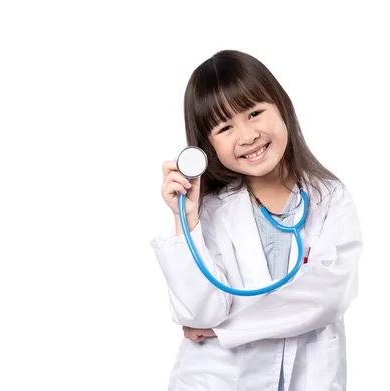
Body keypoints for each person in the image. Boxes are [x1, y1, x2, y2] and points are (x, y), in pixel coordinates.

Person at [151, 49, 363, 391]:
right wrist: (186, 221)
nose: (247, 136)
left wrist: (226, 329)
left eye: (254, 112)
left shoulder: (330, 199)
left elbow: (328, 299)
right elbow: (199, 315)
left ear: (282, 106)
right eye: (224, 127)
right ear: (207, 146)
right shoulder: (210, 210)